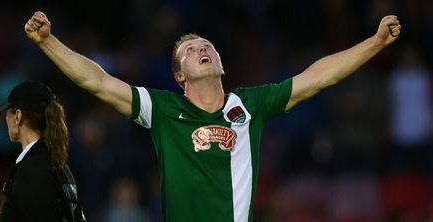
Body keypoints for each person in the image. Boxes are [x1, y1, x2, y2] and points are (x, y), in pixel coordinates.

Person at [24, 11, 401, 222]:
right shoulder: (164, 110)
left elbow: (318, 77)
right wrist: (47, 42)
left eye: (207, 45)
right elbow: (99, 82)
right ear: (179, 76)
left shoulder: (249, 105)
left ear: (220, 63)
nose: (202, 47)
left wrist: (376, 42)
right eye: (190, 49)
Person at [0, 80, 86, 222]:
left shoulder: (30, 170)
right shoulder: (60, 166)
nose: (5, 118)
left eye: (8, 112)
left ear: (18, 116)